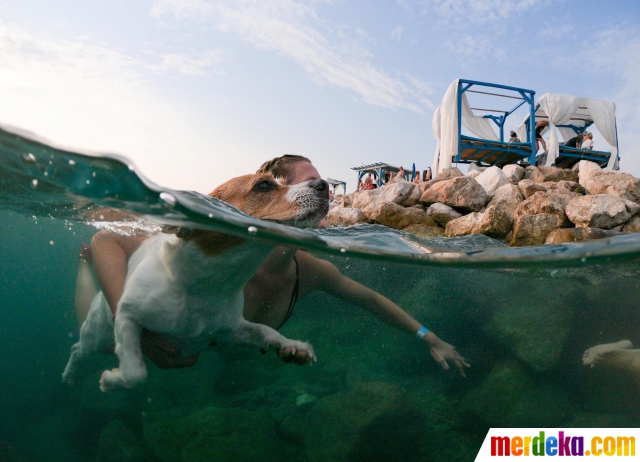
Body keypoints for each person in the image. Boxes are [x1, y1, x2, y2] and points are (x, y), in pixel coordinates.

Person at [76, 155, 469, 375]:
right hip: (158, 326)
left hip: (207, 350)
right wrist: (138, 335)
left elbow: (371, 301)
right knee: (97, 343)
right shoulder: (215, 247)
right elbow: (104, 239)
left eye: (321, 182)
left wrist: (429, 337)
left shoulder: (309, 269)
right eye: (305, 181)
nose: (321, 189)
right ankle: (83, 273)